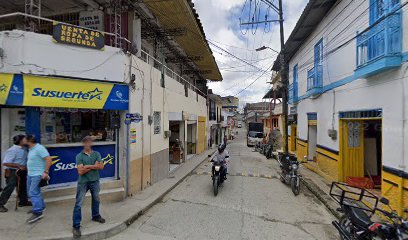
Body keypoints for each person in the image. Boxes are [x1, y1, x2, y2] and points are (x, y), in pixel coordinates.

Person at [72, 136, 105, 238]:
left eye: (89, 142)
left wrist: (87, 166)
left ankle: (95, 216)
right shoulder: (79, 156)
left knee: (96, 199)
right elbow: (80, 171)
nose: (88, 144)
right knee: (79, 203)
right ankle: (76, 226)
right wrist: (93, 166)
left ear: (91, 143)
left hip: (95, 181)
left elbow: (101, 166)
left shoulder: (97, 154)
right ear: (83, 144)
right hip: (83, 182)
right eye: (85, 142)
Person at [26, 135, 52, 223]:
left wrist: (46, 172)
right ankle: (41, 207)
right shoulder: (31, 149)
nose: (23, 141)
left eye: (25, 140)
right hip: (30, 174)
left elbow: (49, 159)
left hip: (37, 174)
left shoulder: (39, 148)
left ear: (29, 141)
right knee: (33, 191)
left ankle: (38, 212)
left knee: (33, 192)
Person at [0, 135, 30, 212]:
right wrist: (18, 166)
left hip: (22, 171)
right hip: (13, 171)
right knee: (10, 187)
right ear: (20, 141)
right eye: (24, 139)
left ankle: (23, 201)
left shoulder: (24, 148)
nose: (26, 140)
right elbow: (6, 163)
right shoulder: (13, 150)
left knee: (22, 186)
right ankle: (0, 204)